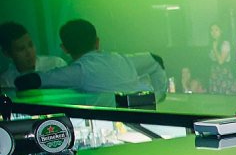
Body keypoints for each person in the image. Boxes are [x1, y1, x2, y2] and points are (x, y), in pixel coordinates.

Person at [13, 19, 167, 98]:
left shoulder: (79, 71)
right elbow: (156, 59)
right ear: (97, 42)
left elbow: (33, 80)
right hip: (148, 115)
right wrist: (159, 95)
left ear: (65, 49)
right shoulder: (122, 59)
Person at [0, 22, 65, 86]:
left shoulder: (56, 64)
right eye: (21, 49)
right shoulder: (6, 81)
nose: (29, 52)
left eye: (30, 45)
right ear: (7, 53)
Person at [208, 23, 236, 94]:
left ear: (221, 31)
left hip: (224, 73)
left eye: (216, 30)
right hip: (214, 73)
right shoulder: (212, 44)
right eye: (212, 30)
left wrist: (215, 49)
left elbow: (221, 61)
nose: (214, 32)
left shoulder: (225, 43)